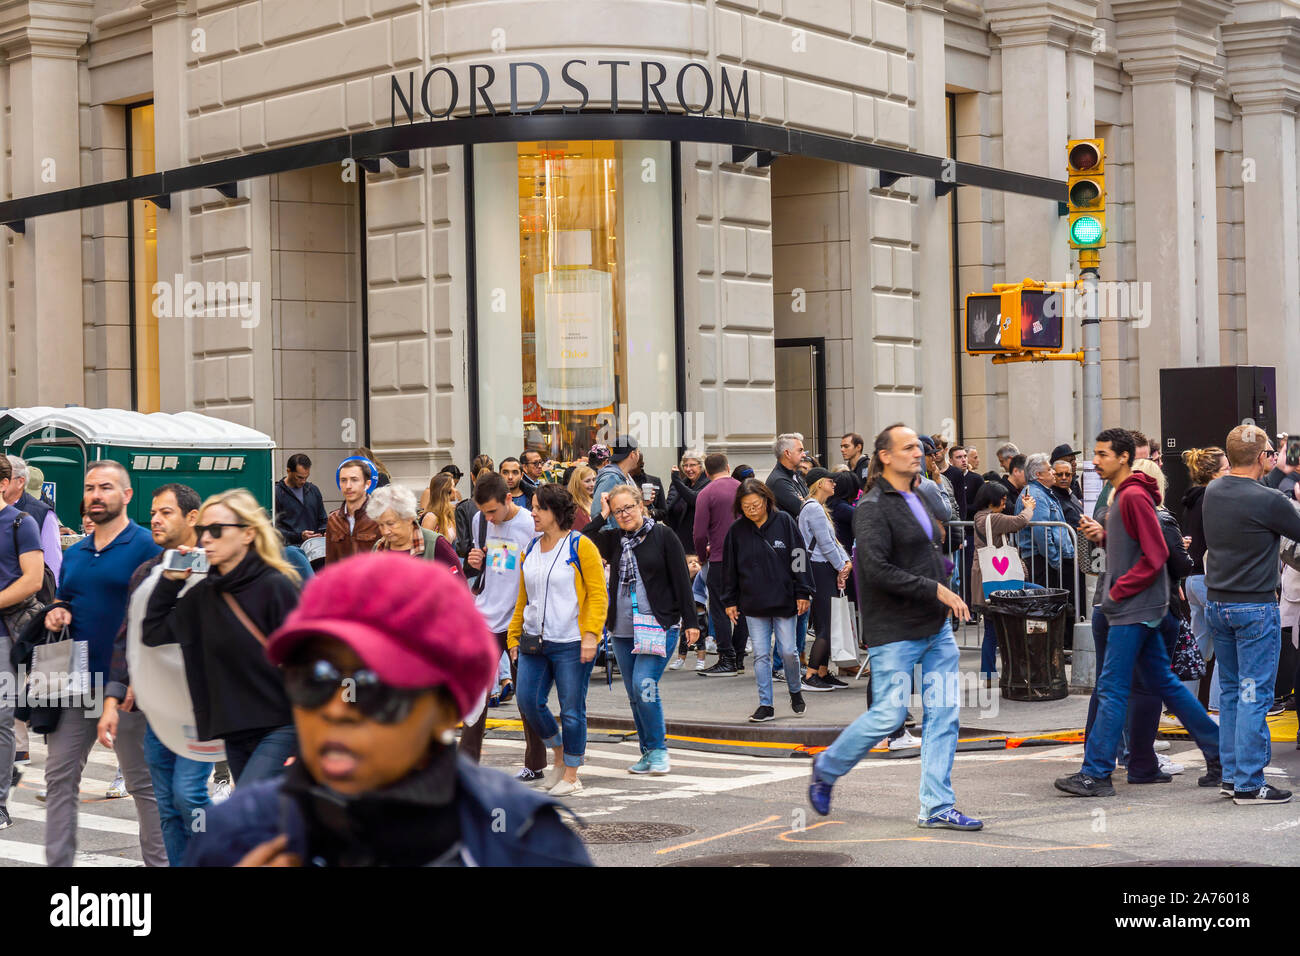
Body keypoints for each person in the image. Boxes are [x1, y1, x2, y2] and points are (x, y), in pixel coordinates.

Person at [184, 553, 592, 867]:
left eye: (372, 683)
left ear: (445, 708)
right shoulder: (234, 835)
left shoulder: (527, 842)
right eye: (314, 677)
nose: (336, 709)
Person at [807, 424, 982, 830]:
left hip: (935, 629)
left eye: (918, 447)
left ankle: (936, 807)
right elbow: (875, 569)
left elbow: (929, 547)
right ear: (884, 456)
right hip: (895, 631)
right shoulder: (872, 507)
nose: (917, 452)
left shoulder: (920, 494)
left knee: (944, 715)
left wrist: (943, 570)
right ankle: (828, 766)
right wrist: (935, 588)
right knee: (888, 716)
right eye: (907, 448)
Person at [1058, 428, 1222, 798]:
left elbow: (1156, 555)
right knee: (1164, 686)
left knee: (1114, 689)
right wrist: (1104, 537)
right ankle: (1216, 754)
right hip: (1143, 609)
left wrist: (1120, 590)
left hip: (1134, 610)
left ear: (1123, 458)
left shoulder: (1130, 495)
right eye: (1096, 454)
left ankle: (1096, 773)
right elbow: (1141, 547)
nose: (1095, 460)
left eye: (1103, 454)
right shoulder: (1127, 496)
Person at [40, 460, 165, 866]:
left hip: (128, 684)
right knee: (59, 778)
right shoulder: (74, 553)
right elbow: (66, 596)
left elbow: (156, 617)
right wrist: (57, 610)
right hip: (74, 680)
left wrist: (135, 678)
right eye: (91, 487)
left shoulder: (148, 546)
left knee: (142, 784)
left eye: (106, 487)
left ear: (126, 496)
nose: (96, 494)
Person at [143, 489, 301, 785]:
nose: (205, 539)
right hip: (233, 730)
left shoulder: (275, 587)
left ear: (247, 534)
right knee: (262, 825)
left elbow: (306, 661)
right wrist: (169, 582)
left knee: (247, 810)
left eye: (216, 530)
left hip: (281, 728)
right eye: (202, 530)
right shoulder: (204, 594)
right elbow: (152, 632)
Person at [99, 483, 213, 865]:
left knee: (190, 795)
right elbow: (126, 638)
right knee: (165, 804)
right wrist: (114, 697)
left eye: (166, 512)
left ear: (192, 517)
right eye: (154, 512)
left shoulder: (216, 568)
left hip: (200, 710)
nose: (156, 519)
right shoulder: (147, 572)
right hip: (156, 712)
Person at [1201, 424, 1300, 804]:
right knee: (1252, 693)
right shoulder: (1269, 500)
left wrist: (1277, 474)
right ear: (1262, 458)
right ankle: (1248, 782)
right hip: (1254, 606)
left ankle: (1231, 775)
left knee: (1230, 692)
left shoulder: (1214, 490)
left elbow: (1255, 494)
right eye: (1272, 453)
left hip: (1218, 603)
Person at [586, 484, 698, 774]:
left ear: (641, 506)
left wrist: (692, 622)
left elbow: (682, 580)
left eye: (629, 508)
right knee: (635, 694)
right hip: (622, 628)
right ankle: (647, 751)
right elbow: (582, 538)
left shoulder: (662, 535)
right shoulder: (613, 539)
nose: (624, 515)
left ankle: (659, 749)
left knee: (644, 685)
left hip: (660, 623)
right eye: (618, 510)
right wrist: (602, 515)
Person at [507, 484, 607, 796]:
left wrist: (591, 634)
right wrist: (513, 636)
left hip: (572, 641)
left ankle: (572, 774)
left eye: (540, 508)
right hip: (534, 642)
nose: (533, 513)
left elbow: (597, 595)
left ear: (556, 513)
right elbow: (523, 599)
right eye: (533, 507)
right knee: (528, 701)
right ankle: (560, 755)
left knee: (571, 709)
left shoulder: (581, 546)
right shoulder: (531, 549)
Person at [458, 472, 546, 781]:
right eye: (483, 511)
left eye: (493, 511)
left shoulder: (529, 524)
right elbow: (481, 567)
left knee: (526, 695)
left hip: (519, 621)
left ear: (509, 498)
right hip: (485, 615)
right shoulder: (480, 521)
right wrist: (474, 561)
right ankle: (466, 766)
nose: (489, 518)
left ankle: (535, 763)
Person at [1121, 459, 1197, 783]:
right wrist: (1183, 553)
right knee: (1154, 687)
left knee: (1129, 687)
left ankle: (1132, 758)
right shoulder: (1161, 517)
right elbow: (1178, 563)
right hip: (1158, 609)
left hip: (1129, 610)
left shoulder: (1121, 515)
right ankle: (1144, 759)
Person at [719, 479, 814, 722]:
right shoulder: (736, 531)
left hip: (784, 599)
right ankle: (766, 704)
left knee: (789, 651)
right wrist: (729, 601)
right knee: (761, 654)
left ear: (766, 500)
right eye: (746, 506)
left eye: (756, 505)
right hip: (753, 602)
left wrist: (803, 591)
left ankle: (795, 690)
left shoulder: (784, 521)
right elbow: (729, 569)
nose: (752, 510)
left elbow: (799, 557)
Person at [0, 456, 48, 832]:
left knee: (1, 721)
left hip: (5, 635)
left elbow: (32, 580)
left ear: (4, 483)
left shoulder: (20, 522)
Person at [1179, 445, 1229, 707]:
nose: (1231, 472)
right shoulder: (1212, 497)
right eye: (1226, 468)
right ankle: (1220, 706)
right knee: (1223, 648)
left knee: (1197, 648)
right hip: (1208, 580)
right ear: (1213, 473)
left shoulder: (1192, 499)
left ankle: (1186, 706)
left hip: (1192, 579)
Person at [970, 481, 1034, 681]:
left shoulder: (980, 517)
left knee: (991, 630)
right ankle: (1007, 671)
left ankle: (989, 674)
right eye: (1003, 499)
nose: (1005, 504)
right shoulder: (992, 519)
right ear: (992, 500)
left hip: (988, 581)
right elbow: (1020, 522)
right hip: (998, 582)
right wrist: (1029, 508)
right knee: (1039, 594)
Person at [798, 468, 852, 692]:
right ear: (820, 483)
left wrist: (845, 563)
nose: (834, 484)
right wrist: (842, 566)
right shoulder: (814, 509)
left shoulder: (816, 508)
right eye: (831, 480)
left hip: (821, 567)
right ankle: (811, 674)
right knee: (827, 624)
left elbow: (832, 541)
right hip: (820, 568)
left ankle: (821, 671)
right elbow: (826, 544)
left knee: (825, 622)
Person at [694, 453, 747, 677]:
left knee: (718, 607)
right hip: (745, 557)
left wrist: (702, 556)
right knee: (744, 607)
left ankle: (727, 657)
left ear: (706, 472)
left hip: (719, 558)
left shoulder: (706, 493)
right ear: (728, 466)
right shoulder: (744, 488)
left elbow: (698, 533)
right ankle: (739, 656)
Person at [369, 484, 462, 574]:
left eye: (391, 524)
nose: (385, 531)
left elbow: (458, 583)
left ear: (409, 518)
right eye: (381, 525)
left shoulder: (435, 544)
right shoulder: (379, 547)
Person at [1015, 453, 1073, 592]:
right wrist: (1055, 560)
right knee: (1046, 604)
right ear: (1038, 474)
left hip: (1043, 559)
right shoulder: (1037, 495)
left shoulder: (1042, 493)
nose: (1053, 472)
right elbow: (1041, 531)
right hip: (1041, 561)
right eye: (1049, 470)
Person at [5, 454, 62, 585]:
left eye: (5, 478)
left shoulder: (43, 514)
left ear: (20, 482)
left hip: (25, 601)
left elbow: (53, 570)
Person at [325, 458, 380, 563]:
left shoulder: (380, 516)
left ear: (367, 484)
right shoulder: (333, 519)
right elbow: (330, 563)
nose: (348, 486)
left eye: (354, 480)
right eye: (343, 480)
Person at [274, 454, 328, 550]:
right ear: (288, 471)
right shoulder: (276, 493)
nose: (303, 481)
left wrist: (324, 532)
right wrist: (299, 536)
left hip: (314, 549)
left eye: (306, 477)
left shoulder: (313, 490)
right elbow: (273, 529)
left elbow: (323, 520)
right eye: (299, 477)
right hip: (289, 551)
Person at [588, 436, 641, 527]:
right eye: (638, 452)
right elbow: (597, 513)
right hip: (618, 538)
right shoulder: (611, 478)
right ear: (633, 454)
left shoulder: (625, 476)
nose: (639, 455)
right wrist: (612, 537)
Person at [665, 450, 708, 556]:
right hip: (678, 542)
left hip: (698, 545)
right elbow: (667, 509)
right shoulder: (680, 483)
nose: (688, 469)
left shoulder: (708, 483)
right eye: (685, 465)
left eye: (692, 465)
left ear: (701, 466)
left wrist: (676, 480)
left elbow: (694, 499)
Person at [454, 455, 494, 560]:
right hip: (497, 565)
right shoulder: (502, 505)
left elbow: (463, 547)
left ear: (472, 476)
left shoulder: (463, 508)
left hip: (473, 566)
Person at [766, 433, 810, 519]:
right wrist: (806, 503)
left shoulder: (796, 475)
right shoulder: (779, 481)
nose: (804, 455)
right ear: (787, 453)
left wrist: (806, 502)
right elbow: (806, 511)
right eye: (800, 450)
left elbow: (810, 504)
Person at [419, 472, 459, 545]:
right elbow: (424, 547)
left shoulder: (450, 514)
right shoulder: (431, 517)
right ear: (446, 491)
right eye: (453, 486)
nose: (456, 490)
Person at [629, 457, 667, 523]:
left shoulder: (655, 481)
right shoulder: (625, 482)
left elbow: (663, 511)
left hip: (651, 527)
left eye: (635, 462)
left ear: (642, 464)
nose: (632, 466)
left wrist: (650, 512)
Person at [566, 464, 596, 533]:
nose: (592, 484)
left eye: (594, 480)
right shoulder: (573, 508)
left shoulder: (594, 501)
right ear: (577, 484)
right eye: (587, 481)